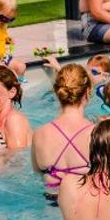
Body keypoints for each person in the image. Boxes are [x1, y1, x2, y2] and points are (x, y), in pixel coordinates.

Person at [32, 63, 94, 203]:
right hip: (84, 206)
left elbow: (36, 173)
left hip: (51, 204)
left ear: (57, 92)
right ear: (87, 92)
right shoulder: (97, 133)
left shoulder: (39, 133)